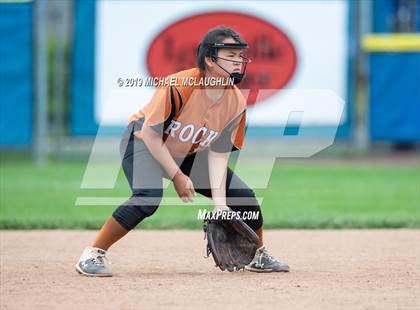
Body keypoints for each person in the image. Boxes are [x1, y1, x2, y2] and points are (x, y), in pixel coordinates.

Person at [75, 26, 290, 277]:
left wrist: (220, 204)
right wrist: (177, 176)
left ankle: (258, 254)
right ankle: (94, 253)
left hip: (187, 151)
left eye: (239, 56)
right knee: (148, 196)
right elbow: (152, 136)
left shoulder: (235, 102)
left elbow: (218, 154)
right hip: (143, 142)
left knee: (242, 196)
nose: (238, 61)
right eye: (229, 55)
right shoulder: (178, 85)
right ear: (209, 59)